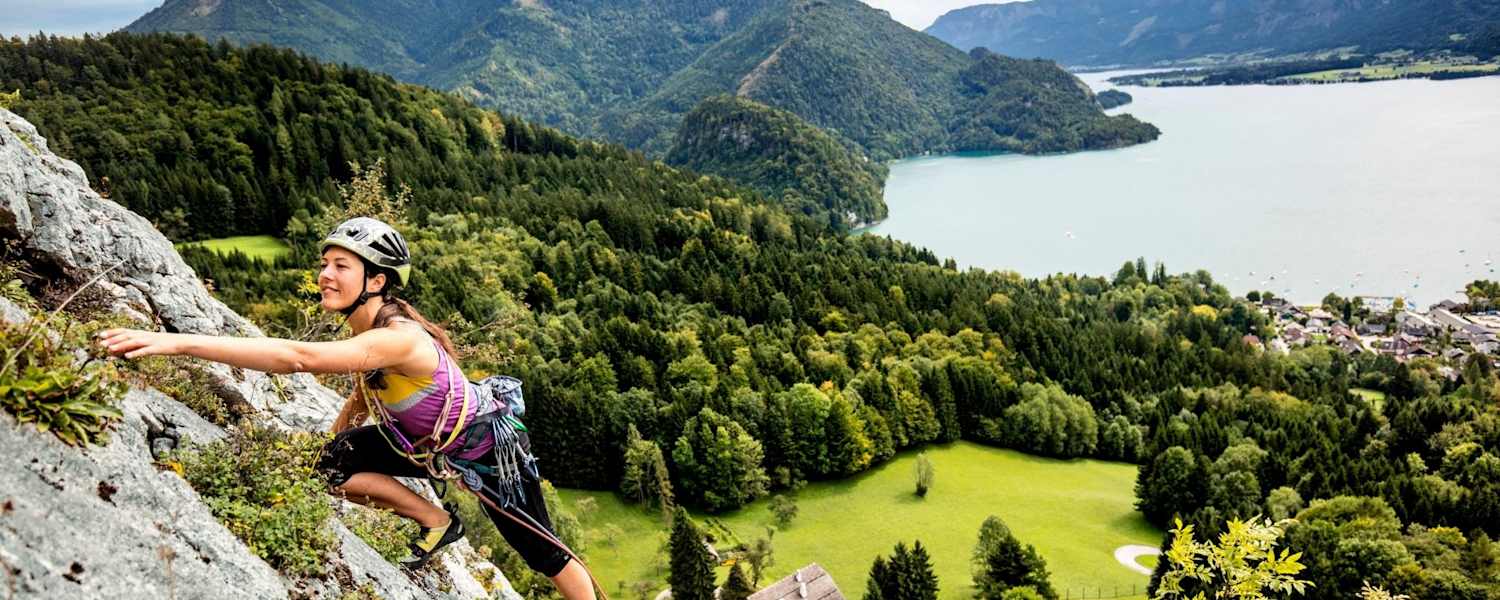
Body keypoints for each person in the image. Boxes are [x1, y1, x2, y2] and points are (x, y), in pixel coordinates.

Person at [99, 217, 597, 599]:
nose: (324, 275)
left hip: (488, 450)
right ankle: (438, 522)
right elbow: (365, 392)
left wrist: (176, 343)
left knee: (543, 551)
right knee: (330, 464)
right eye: (325, 264)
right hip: (428, 446)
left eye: (341, 266)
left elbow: (298, 358)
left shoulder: (399, 338)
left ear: (376, 282)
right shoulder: (369, 329)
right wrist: (333, 442)